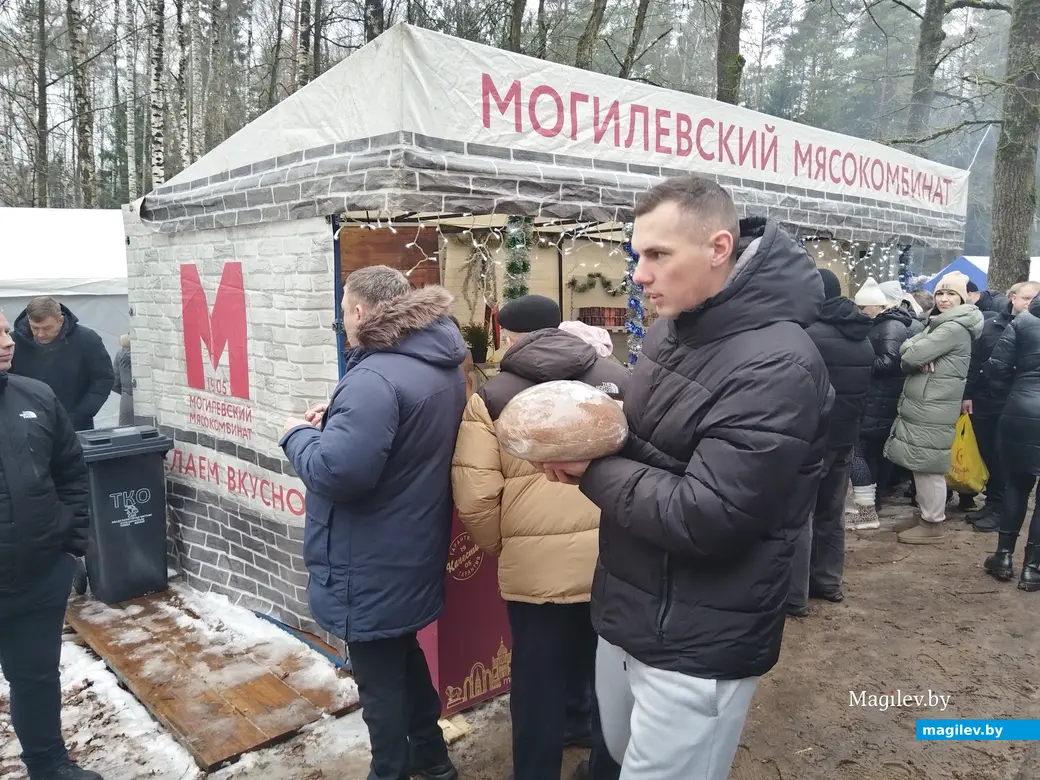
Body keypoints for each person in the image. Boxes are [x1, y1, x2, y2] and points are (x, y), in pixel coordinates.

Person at [534, 176, 834, 780]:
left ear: (719, 247)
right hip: (630, 611)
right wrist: (586, 423)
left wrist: (589, 467)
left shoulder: (778, 364)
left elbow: (707, 515)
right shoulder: (674, 328)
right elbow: (654, 441)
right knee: (614, 755)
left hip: (699, 639)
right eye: (637, 253)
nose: (638, 274)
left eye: (658, 255)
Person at [279, 266, 466, 780]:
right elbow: (397, 441)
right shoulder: (437, 362)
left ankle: (391, 770)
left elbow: (337, 474)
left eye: (343, 311)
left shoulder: (375, 376)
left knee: (380, 685)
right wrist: (338, 420)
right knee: (402, 658)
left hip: (368, 561)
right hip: (408, 549)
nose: (342, 321)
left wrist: (297, 434)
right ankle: (432, 759)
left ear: (360, 312)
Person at [452, 295, 628, 780]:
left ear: (507, 336)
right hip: (616, 559)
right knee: (612, 676)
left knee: (536, 680)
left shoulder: (491, 396)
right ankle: (605, 768)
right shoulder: (617, 380)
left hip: (535, 574)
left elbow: (476, 496)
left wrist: (508, 548)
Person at [0, 309, 102, 780]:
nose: (8, 342)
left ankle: (49, 765)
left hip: (37, 576)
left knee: (37, 679)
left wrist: (71, 541)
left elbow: (70, 470)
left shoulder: (34, 397)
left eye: (6, 331)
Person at [788, 269, 873, 614]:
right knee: (832, 513)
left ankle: (795, 596)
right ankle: (828, 581)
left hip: (812, 440)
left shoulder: (808, 336)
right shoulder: (863, 337)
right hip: (845, 438)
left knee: (798, 516)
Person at [883, 272, 984, 544]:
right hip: (928, 403)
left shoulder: (951, 328)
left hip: (933, 405)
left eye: (951, 294)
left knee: (928, 466)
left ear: (962, 297)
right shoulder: (940, 324)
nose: (944, 298)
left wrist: (914, 353)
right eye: (940, 293)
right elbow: (910, 353)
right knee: (921, 463)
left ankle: (933, 522)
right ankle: (926, 515)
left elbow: (910, 355)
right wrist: (914, 353)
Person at [964, 283, 1040, 532]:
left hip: (1015, 404)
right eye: (1027, 297)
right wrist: (970, 393)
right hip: (988, 400)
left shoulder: (1028, 326)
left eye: (1034, 298)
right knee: (989, 454)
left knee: (1006, 462)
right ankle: (992, 502)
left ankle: (1000, 511)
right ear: (1013, 297)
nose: (1030, 302)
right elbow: (977, 363)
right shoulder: (991, 324)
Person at [980, 290, 1040, 589]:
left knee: (1016, 483)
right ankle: (1033, 569)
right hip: (1023, 403)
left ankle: (1003, 557)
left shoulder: (1023, 323)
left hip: (1020, 408)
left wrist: (1010, 390)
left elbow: (997, 366)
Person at [848, 278, 915, 528]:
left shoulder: (891, 327)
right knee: (871, 453)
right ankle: (871, 505)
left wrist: (859, 362)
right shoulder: (885, 325)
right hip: (877, 398)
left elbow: (889, 362)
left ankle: (867, 512)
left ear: (876, 306)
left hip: (879, 400)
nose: (861, 311)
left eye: (864, 307)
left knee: (857, 452)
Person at [10, 297, 114, 431]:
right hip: (24, 426)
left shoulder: (87, 339)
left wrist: (79, 416)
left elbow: (103, 380)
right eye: (35, 328)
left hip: (75, 426)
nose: (40, 334)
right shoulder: (13, 342)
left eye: (47, 328)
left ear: (61, 320)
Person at [112, 334, 134, 426]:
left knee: (125, 430)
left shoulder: (119, 355)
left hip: (127, 399)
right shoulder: (142, 356)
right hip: (147, 398)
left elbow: (115, 381)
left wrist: (125, 392)